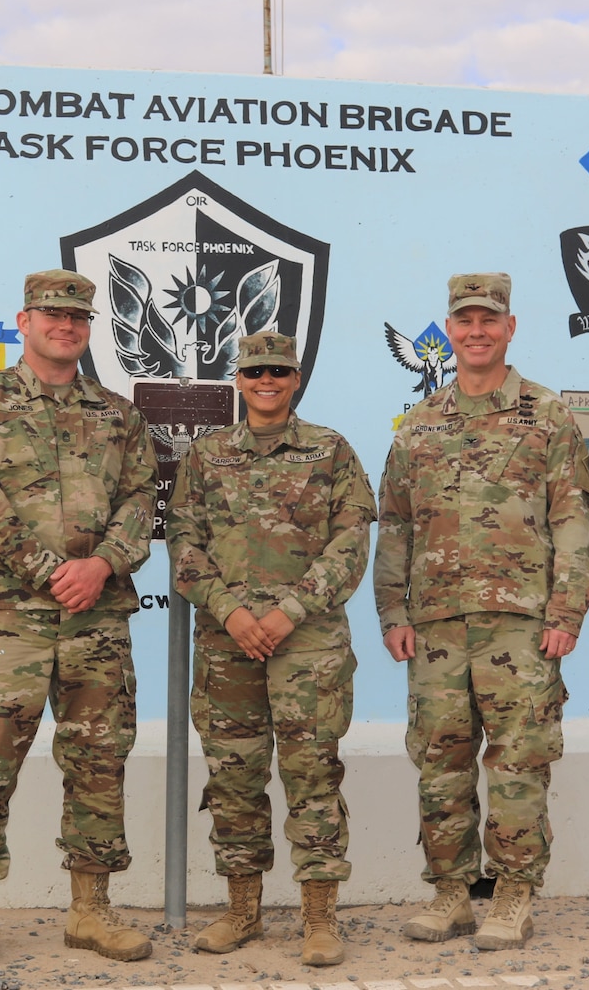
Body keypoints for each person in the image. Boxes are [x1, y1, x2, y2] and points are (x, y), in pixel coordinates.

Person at [0, 269, 157, 966]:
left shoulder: (119, 414)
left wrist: (103, 565)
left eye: (77, 317)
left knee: (98, 762)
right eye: (52, 314)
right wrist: (47, 570)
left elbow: (143, 499)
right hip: (10, 622)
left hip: (97, 619)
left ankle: (90, 911)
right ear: (24, 320)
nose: (66, 325)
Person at [373, 272, 589, 951]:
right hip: (438, 626)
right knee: (440, 760)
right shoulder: (419, 423)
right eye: (464, 320)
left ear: (510, 327)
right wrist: (392, 611)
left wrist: (567, 610)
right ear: (450, 328)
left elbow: (575, 519)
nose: (476, 331)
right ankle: (449, 893)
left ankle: (512, 894)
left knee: (518, 761)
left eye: (488, 319)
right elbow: (396, 526)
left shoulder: (547, 415)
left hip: (522, 625)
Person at [166, 332, 376, 967]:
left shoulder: (330, 449)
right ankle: (243, 911)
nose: (266, 380)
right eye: (255, 370)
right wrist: (228, 609)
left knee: (313, 776)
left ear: (295, 378)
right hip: (228, 642)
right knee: (234, 778)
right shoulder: (205, 456)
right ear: (239, 378)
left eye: (278, 371)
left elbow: (350, 541)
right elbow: (183, 540)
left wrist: (291, 609)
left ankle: (318, 918)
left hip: (307, 643)